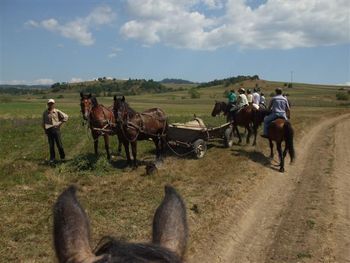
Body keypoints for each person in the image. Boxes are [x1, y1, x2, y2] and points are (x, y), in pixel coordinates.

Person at [42, 99, 69, 163]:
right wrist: (45, 130)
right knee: (51, 145)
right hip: (49, 130)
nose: (50, 105)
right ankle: (52, 158)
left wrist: (60, 123)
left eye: (52, 103)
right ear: (47, 104)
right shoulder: (45, 112)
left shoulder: (57, 111)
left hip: (56, 129)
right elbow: (43, 122)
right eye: (49, 103)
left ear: (54, 104)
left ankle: (62, 157)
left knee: (59, 144)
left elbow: (66, 117)